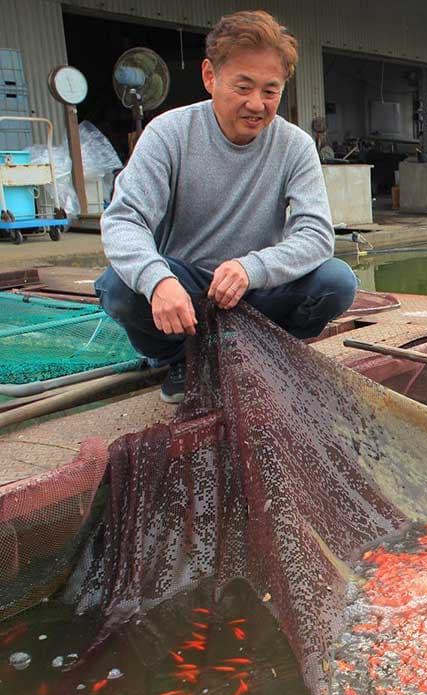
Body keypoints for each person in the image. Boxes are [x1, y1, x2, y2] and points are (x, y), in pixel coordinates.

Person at [96, 10, 357, 403]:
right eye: (243, 87)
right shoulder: (168, 134)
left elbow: (316, 235)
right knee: (119, 288)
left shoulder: (296, 146)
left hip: (252, 290)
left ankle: (269, 351)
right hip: (185, 288)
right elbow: (124, 219)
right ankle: (179, 359)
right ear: (209, 76)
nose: (257, 104)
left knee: (336, 283)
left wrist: (251, 268)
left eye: (270, 91)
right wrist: (158, 280)